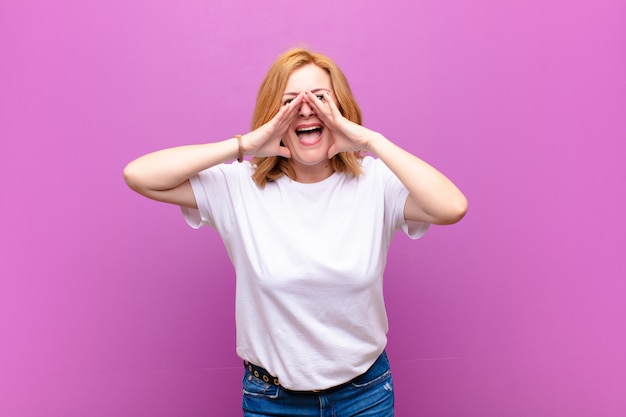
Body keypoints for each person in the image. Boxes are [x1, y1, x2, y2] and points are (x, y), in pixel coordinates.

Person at [124, 47, 467, 416]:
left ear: (341, 111)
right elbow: (139, 175)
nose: (307, 109)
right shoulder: (236, 187)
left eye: (320, 98)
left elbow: (451, 207)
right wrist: (244, 145)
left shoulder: (376, 184)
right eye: (291, 101)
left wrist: (372, 141)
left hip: (364, 395)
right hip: (272, 401)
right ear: (274, 114)